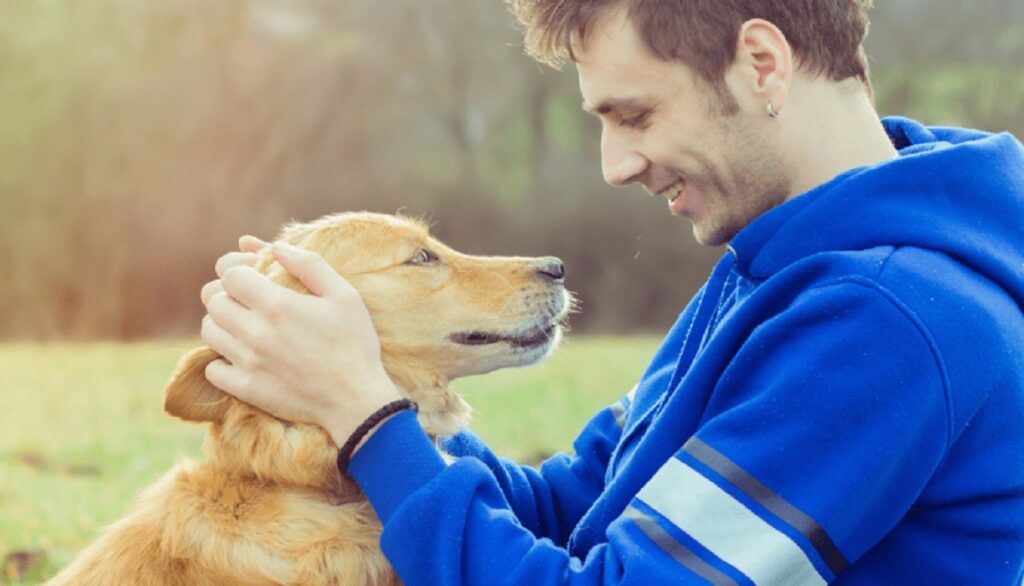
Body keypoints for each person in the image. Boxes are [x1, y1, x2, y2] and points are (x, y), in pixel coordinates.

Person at [199, 1, 1024, 583]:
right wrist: (368, 384)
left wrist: (365, 416)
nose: (614, 164)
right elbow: (568, 504)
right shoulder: (782, 265)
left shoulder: (886, 320)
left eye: (634, 116)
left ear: (762, 65)